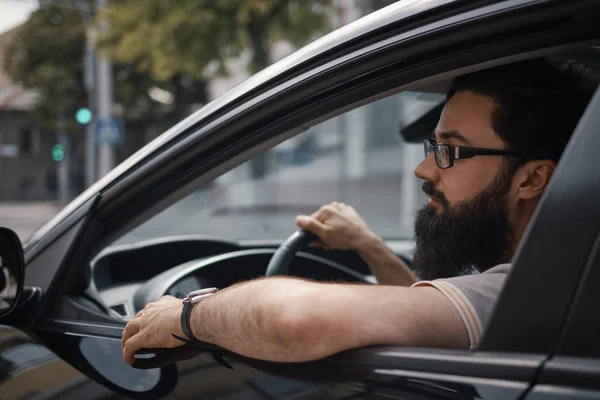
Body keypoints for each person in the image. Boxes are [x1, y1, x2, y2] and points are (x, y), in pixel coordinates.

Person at [121, 58, 594, 366]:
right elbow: (426, 313)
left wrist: (187, 315)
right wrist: (369, 246)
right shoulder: (550, 282)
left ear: (532, 179)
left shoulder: (532, 288)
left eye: (451, 150)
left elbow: (296, 322)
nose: (423, 168)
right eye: (433, 144)